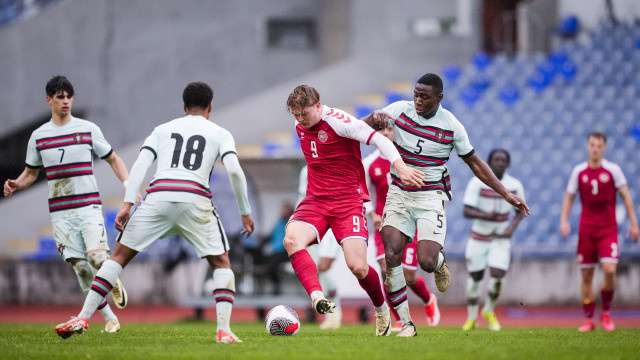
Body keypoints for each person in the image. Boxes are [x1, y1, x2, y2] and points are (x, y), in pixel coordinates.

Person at [54, 82, 255, 343]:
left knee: (118, 257)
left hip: (158, 197)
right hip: (195, 200)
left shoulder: (162, 130)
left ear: (184, 106)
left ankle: (83, 317)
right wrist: (245, 212)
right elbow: (236, 171)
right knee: (221, 263)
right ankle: (224, 331)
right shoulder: (220, 133)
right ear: (210, 107)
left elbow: (140, 166)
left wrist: (127, 205)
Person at [362, 73, 530, 336]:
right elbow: (359, 128)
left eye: (424, 96)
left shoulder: (451, 126)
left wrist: (505, 193)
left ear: (439, 98)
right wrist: (372, 118)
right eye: (416, 94)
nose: (417, 100)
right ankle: (406, 323)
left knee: (426, 261)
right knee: (392, 256)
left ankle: (440, 263)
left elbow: (475, 163)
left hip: (431, 197)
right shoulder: (398, 111)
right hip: (399, 193)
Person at [283, 85, 425, 337]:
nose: (300, 120)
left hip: (347, 203)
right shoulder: (300, 126)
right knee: (292, 239)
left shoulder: (339, 122)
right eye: (296, 115)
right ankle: (318, 298)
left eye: (304, 114)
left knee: (357, 267)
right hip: (315, 200)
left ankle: (381, 310)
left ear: (318, 106)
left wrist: (400, 167)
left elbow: (380, 138)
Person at [4, 75, 129, 333]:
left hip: (88, 206)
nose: (65, 101)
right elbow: (31, 172)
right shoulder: (39, 136)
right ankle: (109, 318)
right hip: (61, 213)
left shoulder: (87, 129)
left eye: (68, 96)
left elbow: (114, 159)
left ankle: (111, 278)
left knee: (96, 259)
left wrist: (128, 184)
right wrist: (17, 183)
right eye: (59, 97)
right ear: (49, 100)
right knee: (82, 269)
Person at [362, 125, 440, 331]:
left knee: (408, 276)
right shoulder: (369, 163)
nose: (385, 134)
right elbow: (362, 192)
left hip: (408, 223)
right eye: (380, 131)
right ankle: (398, 320)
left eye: (389, 129)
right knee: (386, 271)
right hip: (383, 226)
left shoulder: (410, 159)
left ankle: (428, 299)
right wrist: (373, 215)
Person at [560, 131, 639, 332]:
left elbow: (626, 197)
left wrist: (634, 223)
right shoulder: (579, 171)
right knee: (586, 276)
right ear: (588, 146)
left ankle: (605, 313)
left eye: (599, 145)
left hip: (608, 229)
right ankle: (588, 319)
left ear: (604, 148)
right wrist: (564, 221)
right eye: (592, 145)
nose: (595, 149)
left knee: (610, 270)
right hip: (586, 230)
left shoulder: (613, 170)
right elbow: (569, 197)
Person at [460, 149, 525, 331]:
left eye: (503, 160)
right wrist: (485, 216)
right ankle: (472, 317)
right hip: (478, 238)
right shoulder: (477, 182)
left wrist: (511, 228)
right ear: (488, 162)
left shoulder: (515, 185)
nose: (499, 163)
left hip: (500, 239)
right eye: (496, 160)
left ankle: (488, 310)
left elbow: (521, 210)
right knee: (476, 277)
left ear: (508, 164)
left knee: (497, 275)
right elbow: (466, 210)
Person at [297, 165, 344, 330]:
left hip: (332, 221)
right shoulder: (306, 171)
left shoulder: (335, 167)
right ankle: (331, 314)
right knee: (318, 269)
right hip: (313, 222)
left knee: (324, 266)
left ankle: (335, 312)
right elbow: (302, 197)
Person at [263, 202, 295, 295]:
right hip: (275, 252)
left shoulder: (292, 223)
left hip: (286, 251)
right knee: (264, 260)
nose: (282, 211)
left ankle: (276, 286)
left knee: (271, 263)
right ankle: (264, 289)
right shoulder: (278, 222)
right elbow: (271, 235)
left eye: (285, 209)